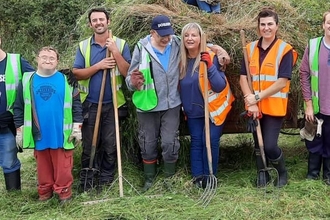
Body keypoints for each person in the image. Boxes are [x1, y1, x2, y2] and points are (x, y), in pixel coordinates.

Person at [125, 15, 229, 192]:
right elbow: (129, 77)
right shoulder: (142, 48)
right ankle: (149, 179)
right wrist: (133, 83)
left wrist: (220, 50)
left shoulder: (175, 43)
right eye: (162, 35)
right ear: (152, 33)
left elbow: (197, 41)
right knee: (148, 143)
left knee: (169, 143)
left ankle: (169, 179)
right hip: (148, 103)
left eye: (169, 34)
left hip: (172, 104)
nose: (167, 38)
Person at [13, 46, 83, 203]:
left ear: (57, 61)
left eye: (52, 58)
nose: (47, 60)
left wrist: (77, 127)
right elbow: (17, 107)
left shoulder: (67, 80)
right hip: (39, 134)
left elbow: (76, 105)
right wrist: (19, 129)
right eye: (44, 57)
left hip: (61, 134)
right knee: (43, 167)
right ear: (37, 59)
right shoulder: (26, 80)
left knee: (63, 167)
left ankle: (64, 194)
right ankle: (44, 193)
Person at [72, 7, 131, 190]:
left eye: (101, 19)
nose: (98, 22)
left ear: (108, 22)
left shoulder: (120, 44)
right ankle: (88, 178)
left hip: (113, 105)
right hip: (90, 105)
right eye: (95, 20)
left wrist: (115, 52)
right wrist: (99, 65)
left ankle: (105, 180)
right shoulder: (83, 46)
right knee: (90, 145)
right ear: (90, 24)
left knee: (110, 145)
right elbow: (76, 74)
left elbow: (127, 72)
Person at [239, 8, 297, 188]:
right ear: (258, 27)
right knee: (258, 144)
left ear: (277, 26)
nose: (266, 28)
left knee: (270, 145)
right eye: (262, 24)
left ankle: (281, 172)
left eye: (270, 24)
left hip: (274, 107)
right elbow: (243, 78)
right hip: (254, 107)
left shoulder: (285, 50)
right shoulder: (248, 48)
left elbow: (282, 82)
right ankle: (262, 173)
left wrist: (256, 97)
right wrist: (250, 100)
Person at [179, 22, 234, 188]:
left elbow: (219, 85)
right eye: (187, 35)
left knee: (209, 140)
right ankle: (198, 178)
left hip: (214, 109)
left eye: (194, 35)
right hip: (193, 110)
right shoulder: (181, 60)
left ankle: (211, 176)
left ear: (200, 38)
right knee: (196, 141)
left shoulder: (210, 56)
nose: (190, 38)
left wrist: (210, 65)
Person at [299, 10, 330, 185]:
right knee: (314, 139)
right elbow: (304, 74)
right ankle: (312, 174)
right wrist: (309, 104)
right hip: (317, 106)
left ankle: (328, 175)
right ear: (323, 25)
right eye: (329, 22)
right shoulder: (313, 46)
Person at [0, 37, 34, 191]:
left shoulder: (16, 61)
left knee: (9, 160)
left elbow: (35, 80)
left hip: (7, 124)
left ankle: (13, 196)